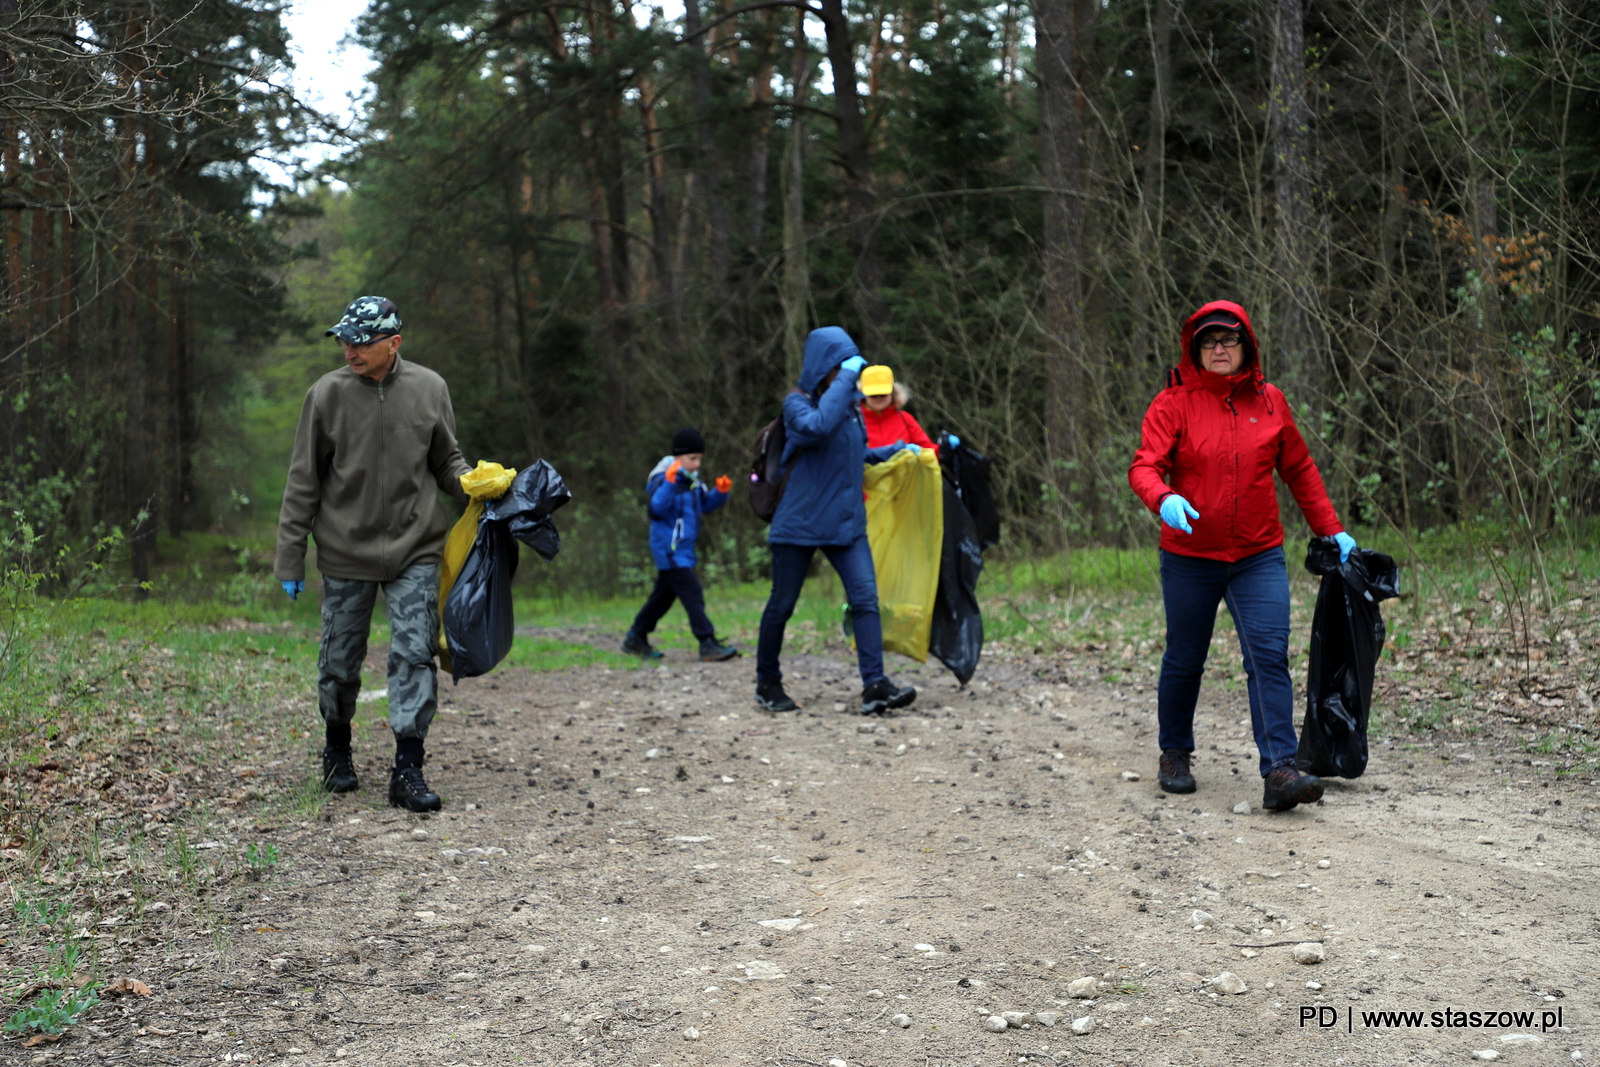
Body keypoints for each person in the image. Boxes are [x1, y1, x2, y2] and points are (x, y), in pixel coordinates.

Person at [1128, 300, 1358, 812]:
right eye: (1209, 341)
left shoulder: (1271, 401)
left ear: (1246, 346)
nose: (1219, 349)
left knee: (1268, 655)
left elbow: (1298, 470)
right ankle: (1174, 752)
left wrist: (1332, 529)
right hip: (1190, 555)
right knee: (1185, 657)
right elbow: (1144, 467)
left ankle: (1278, 769)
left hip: (1257, 554)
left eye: (1228, 340)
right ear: (1195, 349)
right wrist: (1163, 499)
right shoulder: (1172, 404)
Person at [275, 296, 472, 814]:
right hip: (344, 549)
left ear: (394, 343)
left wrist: (472, 483)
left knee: (414, 653)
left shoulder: (430, 389)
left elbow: (447, 460)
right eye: (344, 340)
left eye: (361, 341)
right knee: (340, 663)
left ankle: (408, 767)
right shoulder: (325, 395)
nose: (350, 350)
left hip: (416, 547)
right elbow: (303, 481)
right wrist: (290, 558)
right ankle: (337, 749)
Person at [754, 327, 918, 715]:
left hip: (845, 523)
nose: (848, 372)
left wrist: (903, 450)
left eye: (849, 364)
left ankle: (875, 685)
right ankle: (767, 682)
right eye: (839, 364)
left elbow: (856, 454)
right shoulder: (797, 405)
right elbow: (818, 428)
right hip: (799, 523)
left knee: (865, 601)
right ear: (822, 366)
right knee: (782, 604)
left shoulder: (848, 409)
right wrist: (847, 377)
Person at [621, 426, 739, 662]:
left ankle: (635, 638)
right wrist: (669, 482)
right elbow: (656, 510)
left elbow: (703, 505)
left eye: (700, 459)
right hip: (670, 549)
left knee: (662, 597)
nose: (697, 464)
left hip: (683, 550)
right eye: (692, 458)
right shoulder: (663, 479)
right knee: (692, 592)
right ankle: (707, 642)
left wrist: (721, 492)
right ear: (677, 457)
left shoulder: (692, 480)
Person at [858, 365, 948, 458]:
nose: (878, 398)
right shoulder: (854, 421)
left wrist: (945, 449)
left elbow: (927, 450)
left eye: (883, 394)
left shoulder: (905, 419)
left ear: (893, 392)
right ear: (862, 394)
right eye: (873, 394)